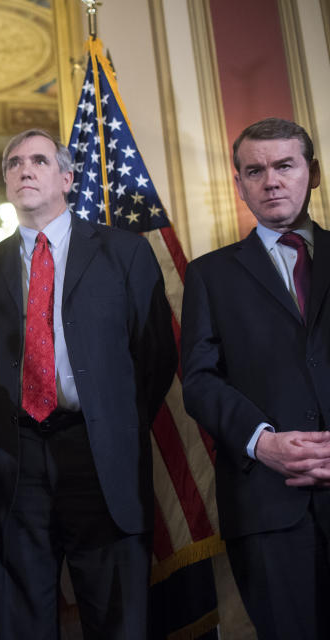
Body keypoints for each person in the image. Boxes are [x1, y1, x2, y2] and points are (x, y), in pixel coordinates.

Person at [0, 129, 176, 639]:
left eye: (38, 160)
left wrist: (109, 421)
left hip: (99, 456)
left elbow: (154, 357)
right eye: (13, 163)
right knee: (22, 623)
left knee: (117, 618)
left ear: (67, 177)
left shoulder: (124, 254)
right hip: (14, 462)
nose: (25, 170)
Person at [180, 117, 330, 639]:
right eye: (255, 170)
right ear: (239, 182)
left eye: (284, 166)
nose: (270, 180)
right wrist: (262, 443)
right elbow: (198, 381)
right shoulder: (208, 275)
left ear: (312, 173)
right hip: (268, 506)